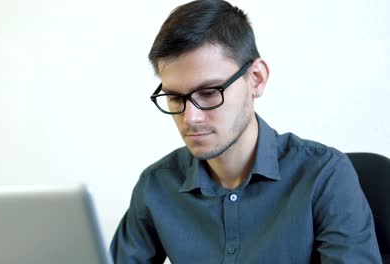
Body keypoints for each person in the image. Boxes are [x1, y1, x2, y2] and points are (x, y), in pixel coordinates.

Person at [110, 0, 382, 263]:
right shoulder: (156, 185)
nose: (190, 118)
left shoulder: (325, 174)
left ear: (256, 79)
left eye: (209, 92)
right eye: (175, 98)